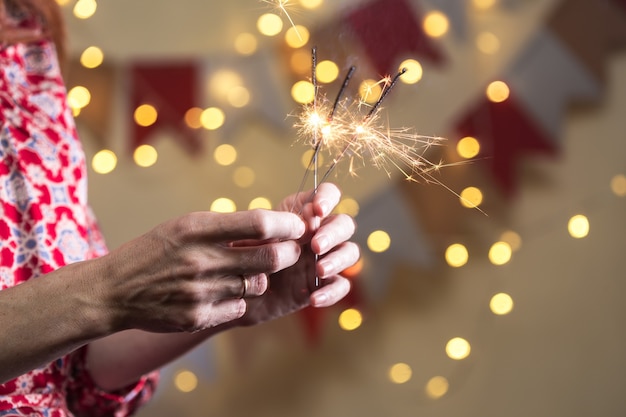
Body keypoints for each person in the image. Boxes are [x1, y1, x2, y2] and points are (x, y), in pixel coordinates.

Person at [0, 0, 360, 415]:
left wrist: (238, 290)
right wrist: (111, 290)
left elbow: (69, 375)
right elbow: (94, 302)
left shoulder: (26, 25)